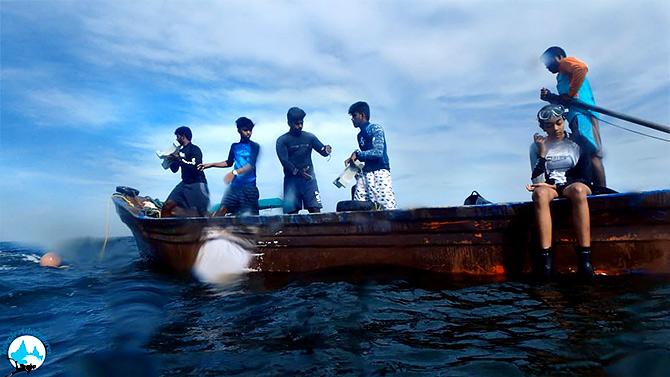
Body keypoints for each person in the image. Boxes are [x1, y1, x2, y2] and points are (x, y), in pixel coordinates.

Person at [527, 104, 595, 279]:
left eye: (558, 123)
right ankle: (546, 262)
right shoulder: (536, 147)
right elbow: (538, 183)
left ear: (564, 120)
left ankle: (585, 260)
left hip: (575, 184)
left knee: (579, 191)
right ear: (543, 128)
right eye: (549, 126)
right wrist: (542, 154)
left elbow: (586, 177)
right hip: (550, 188)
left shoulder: (579, 141)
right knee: (540, 194)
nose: (555, 128)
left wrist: (557, 186)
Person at [540, 46, 606, 187]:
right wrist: (550, 97)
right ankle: (594, 187)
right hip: (576, 114)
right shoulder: (562, 75)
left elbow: (581, 68)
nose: (547, 67)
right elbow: (566, 101)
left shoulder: (565, 63)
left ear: (557, 57)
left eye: (547, 63)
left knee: (589, 151)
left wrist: (571, 93)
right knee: (584, 152)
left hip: (582, 114)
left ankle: (601, 190)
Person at [198, 117, 260, 216]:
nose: (248, 132)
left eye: (250, 130)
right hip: (234, 187)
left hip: (249, 188)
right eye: (245, 130)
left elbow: (250, 165)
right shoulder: (234, 146)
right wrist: (210, 164)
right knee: (222, 210)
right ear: (239, 130)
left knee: (251, 219)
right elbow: (229, 162)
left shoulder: (255, 146)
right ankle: (210, 230)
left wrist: (234, 172)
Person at [276, 107, 332, 214]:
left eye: (301, 123)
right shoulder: (282, 140)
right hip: (291, 182)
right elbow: (284, 161)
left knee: (315, 211)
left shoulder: (309, 137)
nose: (300, 126)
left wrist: (327, 150)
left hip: (309, 181)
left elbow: (323, 151)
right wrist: (298, 173)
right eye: (296, 123)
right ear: (289, 123)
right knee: (291, 215)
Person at [344, 101, 397, 210]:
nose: (352, 119)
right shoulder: (359, 136)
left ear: (362, 115)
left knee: (386, 208)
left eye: (354, 115)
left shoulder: (376, 128)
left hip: (380, 172)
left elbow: (378, 152)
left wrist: (358, 154)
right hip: (366, 174)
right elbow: (365, 156)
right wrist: (354, 164)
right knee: (360, 208)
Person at [161, 126, 210, 217]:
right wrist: (170, 160)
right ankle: (164, 229)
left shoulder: (195, 149)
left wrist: (179, 159)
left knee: (202, 212)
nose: (176, 139)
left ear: (183, 136)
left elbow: (197, 167)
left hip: (197, 182)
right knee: (167, 206)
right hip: (184, 183)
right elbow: (174, 170)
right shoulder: (179, 151)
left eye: (177, 136)